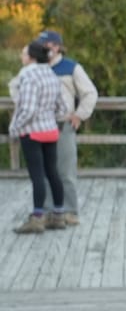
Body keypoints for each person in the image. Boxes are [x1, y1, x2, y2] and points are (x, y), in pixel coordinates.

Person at [10, 40, 72, 234]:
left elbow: (27, 109)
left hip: (32, 132)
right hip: (50, 131)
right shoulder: (53, 76)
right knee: (52, 172)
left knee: (37, 175)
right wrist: (48, 116)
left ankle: (37, 219)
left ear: (32, 58)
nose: (21, 57)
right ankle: (58, 215)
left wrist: (16, 128)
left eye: (23, 54)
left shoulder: (29, 78)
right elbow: (63, 108)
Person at [37, 29, 97, 226]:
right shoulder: (37, 67)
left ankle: (70, 211)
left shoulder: (71, 67)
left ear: (56, 46)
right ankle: (47, 211)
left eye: (45, 44)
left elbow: (90, 93)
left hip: (63, 125)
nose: (41, 48)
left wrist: (79, 115)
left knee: (65, 171)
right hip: (41, 125)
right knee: (45, 170)